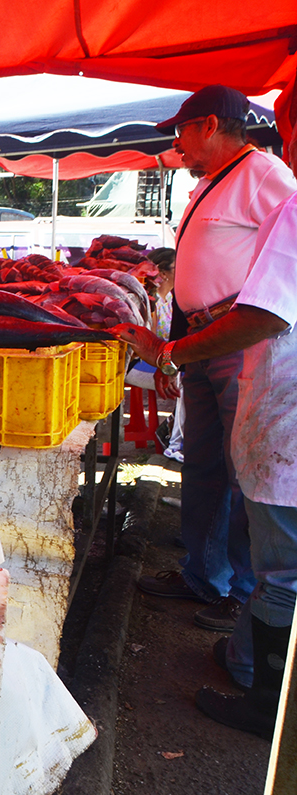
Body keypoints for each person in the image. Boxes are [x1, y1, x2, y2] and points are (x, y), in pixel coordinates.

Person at [116, 117, 297, 738]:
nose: (177, 150)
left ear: (209, 124)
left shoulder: (272, 179)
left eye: (183, 138)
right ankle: (230, 617)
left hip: (254, 360)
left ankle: (256, 669)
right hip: (221, 347)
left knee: (274, 532)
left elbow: (268, 307)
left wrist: (174, 352)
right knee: (218, 470)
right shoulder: (210, 183)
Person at [123, 247, 184, 462]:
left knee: (194, 377)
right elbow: (147, 346)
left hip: (162, 362)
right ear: (164, 273)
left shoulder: (173, 299)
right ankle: (176, 441)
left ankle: (172, 428)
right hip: (140, 365)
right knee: (187, 381)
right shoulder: (153, 301)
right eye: (179, 266)